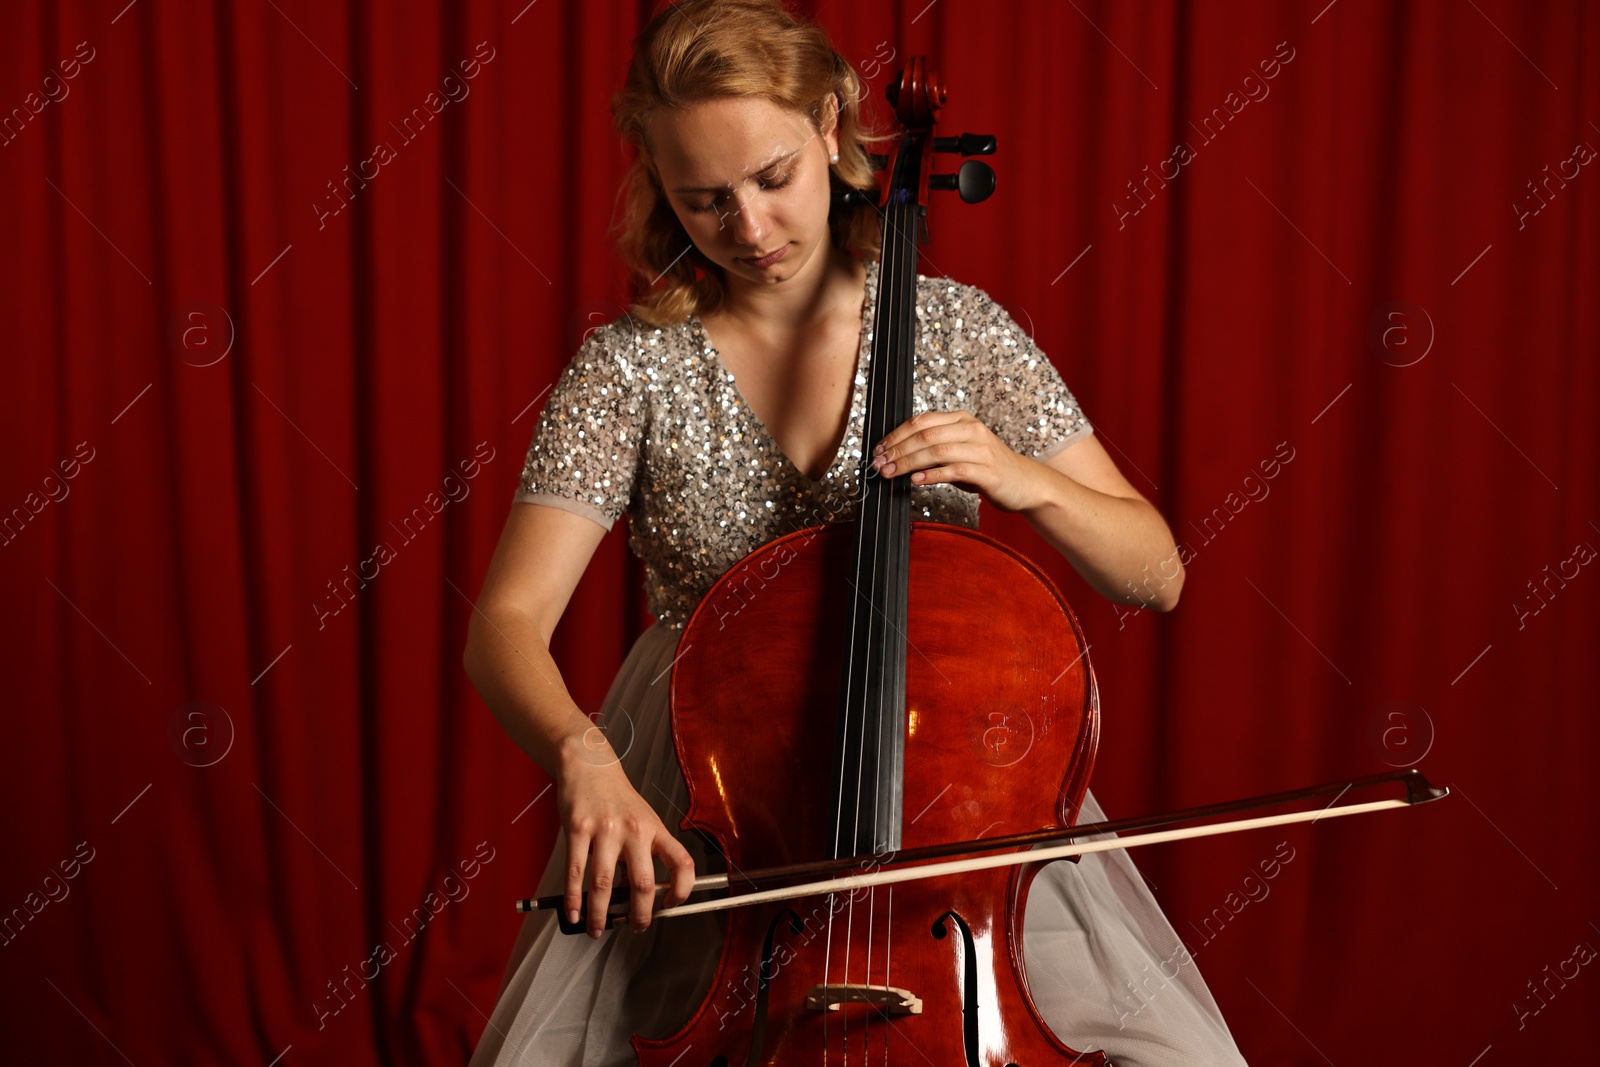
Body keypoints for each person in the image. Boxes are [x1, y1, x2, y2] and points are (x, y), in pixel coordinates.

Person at [463, 1, 1248, 1064]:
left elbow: (1154, 573)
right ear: (660, 186)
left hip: (947, 806)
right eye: (704, 200)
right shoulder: (628, 373)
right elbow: (504, 622)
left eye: (771, 176)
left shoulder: (958, 329)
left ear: (833, 129)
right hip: (712, 810)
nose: (749, 227)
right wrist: (581, 755)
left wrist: (1018, 477)